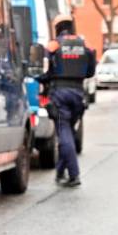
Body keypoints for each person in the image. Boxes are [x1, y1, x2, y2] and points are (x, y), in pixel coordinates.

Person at [41, 14, 96, 187]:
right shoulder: (84, 44)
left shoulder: (54, 45)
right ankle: (59, 172)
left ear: (57, 27)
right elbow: (91, 71)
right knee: (69, 134)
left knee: (64, 134)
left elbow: (43, 71)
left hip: (59, 95)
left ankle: (74, 175)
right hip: (78, 95)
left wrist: (43, 81)